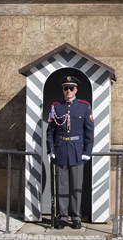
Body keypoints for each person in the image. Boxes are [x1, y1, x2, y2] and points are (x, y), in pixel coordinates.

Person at [46, 75, 94, 230]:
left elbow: (89, 132)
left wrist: (87, 151)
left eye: (71, 88)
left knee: (76, 186)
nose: (68, 91)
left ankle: (76, 217)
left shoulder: (84, 107)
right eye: (65, 88)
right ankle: (63, 216)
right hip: (60, 150)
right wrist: (50, 149)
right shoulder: (56, 107)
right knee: (62, 186)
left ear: (76, 90)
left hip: (77, 151)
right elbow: (50, 131)